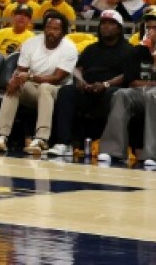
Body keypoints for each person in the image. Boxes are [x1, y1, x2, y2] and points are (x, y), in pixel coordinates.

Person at [98, 7, 156, 167]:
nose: (151, 31)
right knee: (121, 95)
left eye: (155, 27)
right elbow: (132, 81)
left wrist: (153, 51)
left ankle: (154, 154)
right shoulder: (138, 50)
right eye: (148, 27)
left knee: (153, 95)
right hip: (145, 91)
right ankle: (113, 150)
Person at [47, 11, 136, 157]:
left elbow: (127, 75)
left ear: (119, 28)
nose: (106, 26)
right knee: (66, 91)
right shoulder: (91, 48)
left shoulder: (129, 50)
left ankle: (108, 146)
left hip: (110, 92)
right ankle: (64, 143)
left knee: (113, 94)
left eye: (111, 23)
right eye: (103, 23)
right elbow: (77, 69)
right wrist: (80, 80)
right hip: (88, 90)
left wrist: (105, 84)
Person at [0, 11, 79, 155]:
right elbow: (21, 71)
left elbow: (56, 78)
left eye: (56, 29)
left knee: (45, 87)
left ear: (63, 32)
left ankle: (41, 138)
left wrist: (30, 76)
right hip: (33, 88)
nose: (51, 32)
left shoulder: (69, 48)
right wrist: (15, 80)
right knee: (15, 86)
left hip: (59, 90)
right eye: (49, 28)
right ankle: (1, 136)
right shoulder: (31, 44)